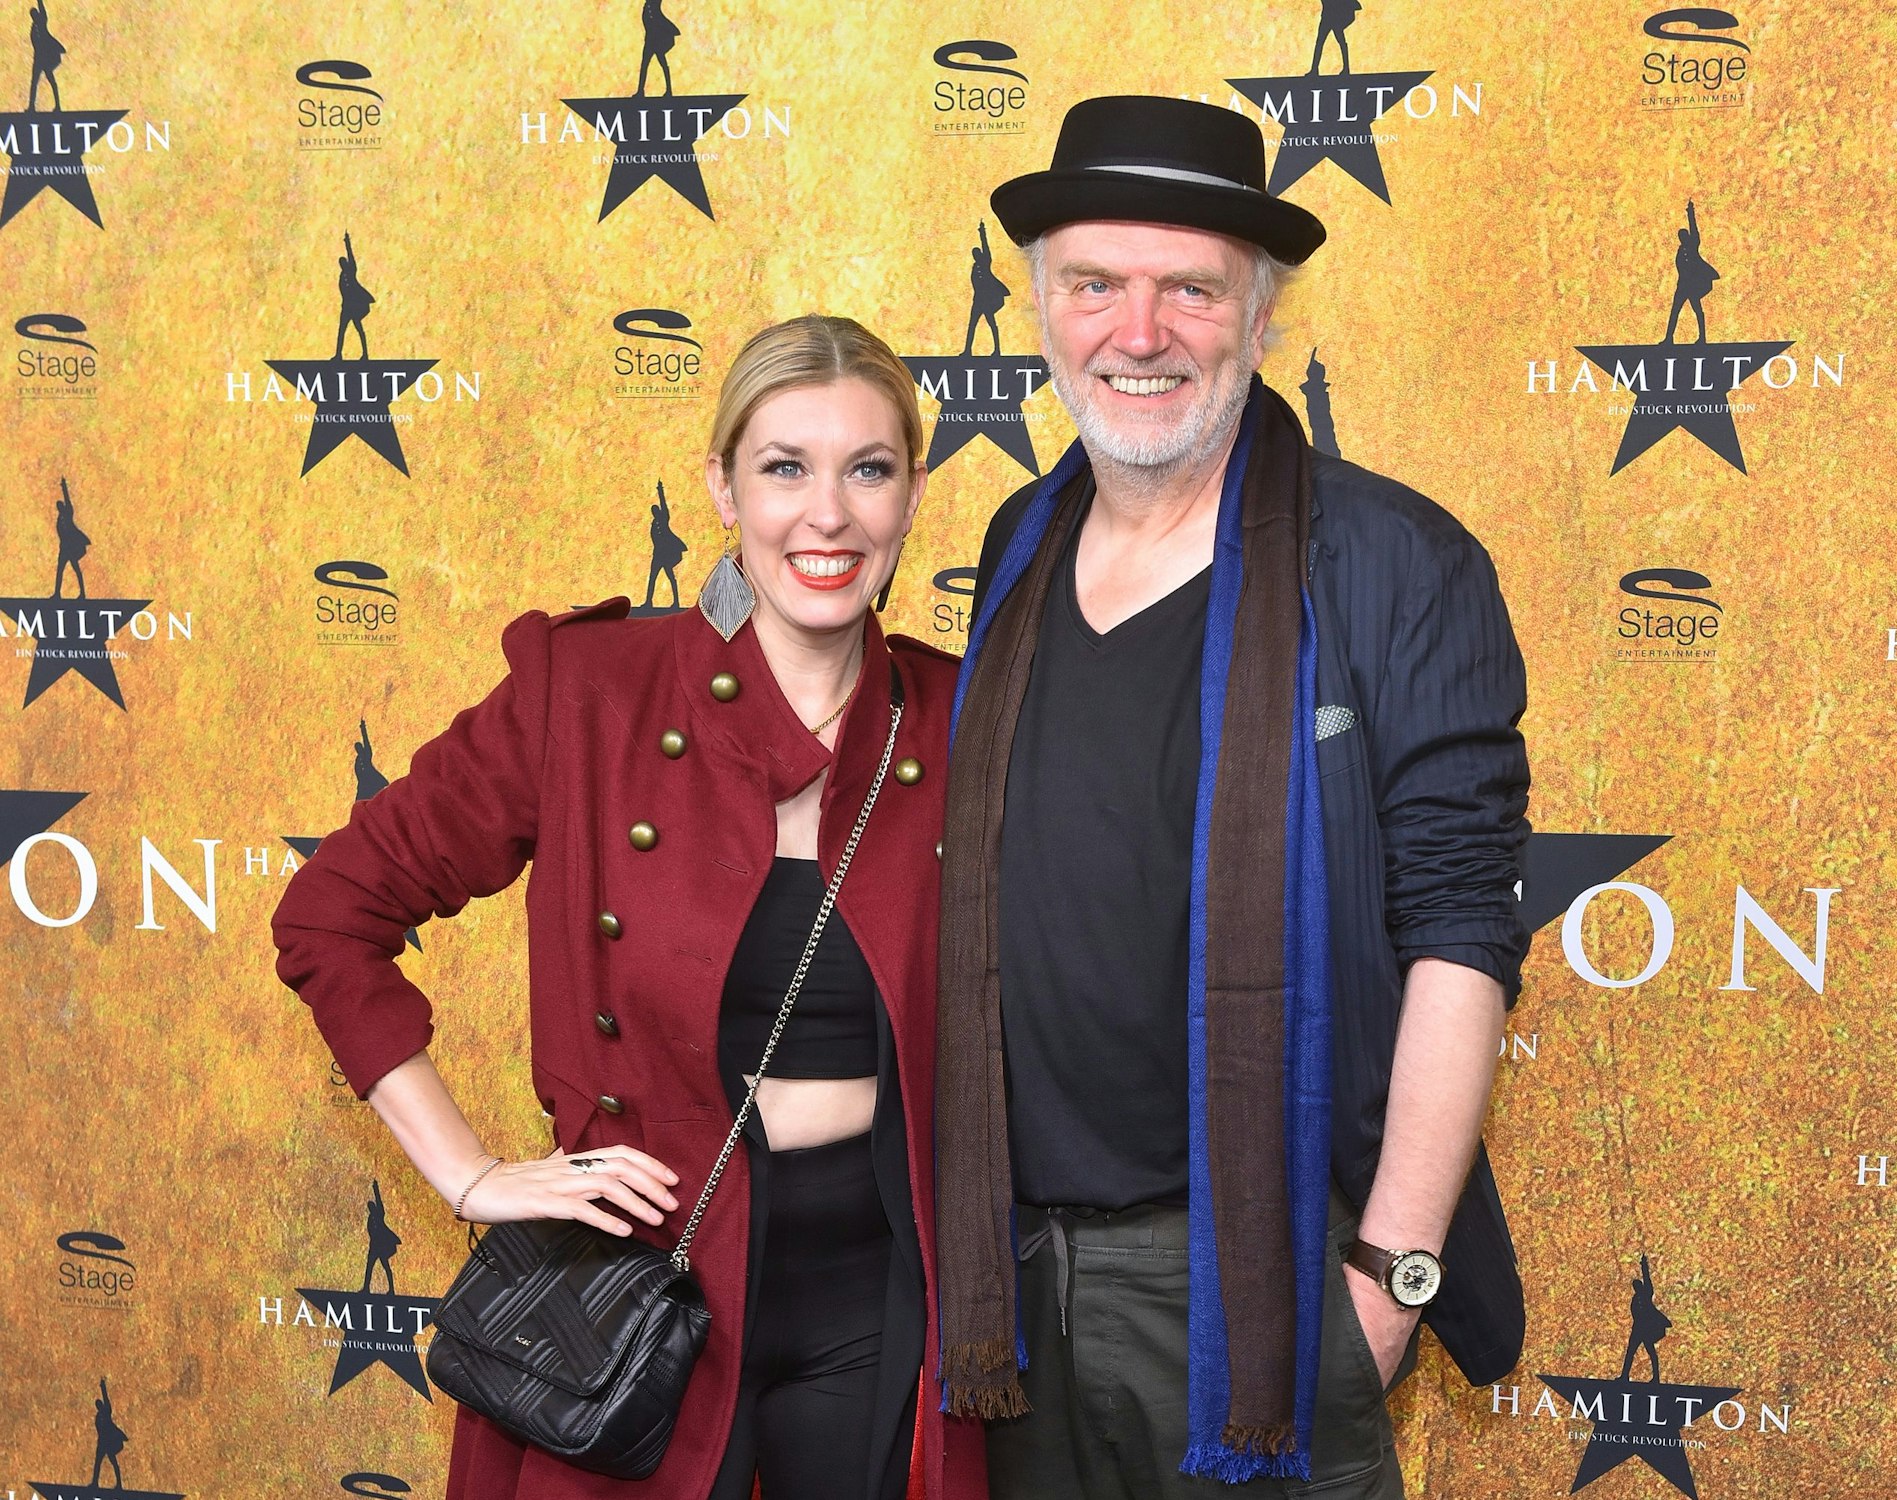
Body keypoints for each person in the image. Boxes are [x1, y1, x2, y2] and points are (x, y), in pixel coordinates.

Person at [274, 315, 985, 1500]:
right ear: (718, 487)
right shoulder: (589, 694)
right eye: (782, 468)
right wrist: (466, 1175)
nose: (828, 513)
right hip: (639, 1287)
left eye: (867, 469)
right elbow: (329, 912)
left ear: (912, 493)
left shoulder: (967, 716)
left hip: (880, 1290)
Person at [935, 96, 1531, 1497]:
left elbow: (1462, 931)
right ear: (1041, 309)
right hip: (1012, 1289)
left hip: (1258, 1287)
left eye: (1189, 289)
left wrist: (1387, 1279)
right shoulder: (1018, 540)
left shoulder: (1397, 562)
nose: (1137, 334)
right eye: (1095, 285)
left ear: (1261, 319)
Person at [1664, 200, 1719, 345]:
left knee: (1697, 311)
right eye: (1680, 237)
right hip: (1682, 286)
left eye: (1684, 235)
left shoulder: (1693, 244)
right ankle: (1669, 338)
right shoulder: (1680, 250)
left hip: (1693, 285)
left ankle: (1702, 338)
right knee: (1675, 311)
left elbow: (1694, 227)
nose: (1682, 238)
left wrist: (1690, 212)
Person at [1619, 1254, 1672, 1383]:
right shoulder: (1635, 1300)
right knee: (1630, 1352)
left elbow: (1647, 1278)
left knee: (1651, 1353)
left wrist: (1644, 1264)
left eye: (1638, 1285)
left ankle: (1656, 1378)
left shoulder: (1647, 1293)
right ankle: (1624, 1376)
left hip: (1647, 1328)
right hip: (1638, 1328)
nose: (1637, 1287)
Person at [961, 221, 1010, 357]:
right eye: (974, 254)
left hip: (987, 300)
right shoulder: (975, 267)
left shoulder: (985, 261)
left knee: (992, 324)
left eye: (977, 253)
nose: (976, 255)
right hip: (978, 300)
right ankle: (967, 351)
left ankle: (997, 350)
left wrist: (982, 231)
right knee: (972, 326)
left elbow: (985, 245)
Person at [647, 480, 690, 609]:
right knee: (652, 577)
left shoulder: (664, 518)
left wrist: (660, 490)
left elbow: (663, 503)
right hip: (658, 554)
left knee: (671, 577)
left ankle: (676, 601)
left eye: (656, 510)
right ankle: (648, 602)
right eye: (653, 511)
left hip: (665, 554)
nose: (655, 512)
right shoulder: (654, 524)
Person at [336, 232, 373, 361]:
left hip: (355, 306)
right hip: (346, 307)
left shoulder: (351, 270)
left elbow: (351, 255)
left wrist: (347, 243)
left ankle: (365, 354)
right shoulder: (341, 277)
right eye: (341, 263)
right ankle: (338, 355)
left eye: (344, 262)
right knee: (341, 331)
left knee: (359, 329)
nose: (343, 264)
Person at [361, 1177, 400, 1294]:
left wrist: (375, 1188)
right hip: (375, 1246)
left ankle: (392, 1289)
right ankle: (366, 1288)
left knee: (386, 1267)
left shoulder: (379, 1213)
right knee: (369, 1267)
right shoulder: (370, 1219)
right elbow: (371, 1232)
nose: (371, 1207)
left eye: (372, 1206)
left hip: (382, 1245)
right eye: (370, 1207)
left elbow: (379, 1200)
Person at [53, 476, 88, 599]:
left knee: (76, 570)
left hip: (71, 547)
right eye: (58, 506)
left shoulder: (68, 513)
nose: (60, 507)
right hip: (64, 548)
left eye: (61, 505)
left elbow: (67, 499)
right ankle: (57, 593)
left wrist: (64, 487)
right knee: (60, 570)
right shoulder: (59, 520)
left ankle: (83, 593)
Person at [27, 0, 62, 112]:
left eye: (36, 14)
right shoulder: (33, 29)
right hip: (38, 59)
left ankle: (58, 105)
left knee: (51, 80)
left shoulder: (42, 22)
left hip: (46, 57)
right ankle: (32, 106)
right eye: (33, 15)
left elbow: (42, 9)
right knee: (34, 83)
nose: (35, 16)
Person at [638, 0, 678, 97]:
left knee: (662, 63)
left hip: (657, 39)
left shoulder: (654, 5)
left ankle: (669, 90)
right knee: (645, 65)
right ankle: (640, 91)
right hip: (650, 39)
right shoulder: (647, 6)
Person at [91, 1377, 125, 1489]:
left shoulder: (106, 1411)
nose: (99, 1405)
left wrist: (103, 1386)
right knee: (98, 1463)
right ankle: (95, 1483)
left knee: (113, 1462)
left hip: (109, 1441)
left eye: (100, 1403)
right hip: (102, 1442)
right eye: (98, 1405)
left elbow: (106, 1398)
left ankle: (119, 1483)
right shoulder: (98, 1417)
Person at [1311, 0, 1361, 75]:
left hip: (1334, 18)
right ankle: (1314, 69)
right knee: (1320, 43)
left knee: (1324, 43)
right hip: (1328, 17)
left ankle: (1346, 68)